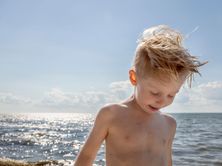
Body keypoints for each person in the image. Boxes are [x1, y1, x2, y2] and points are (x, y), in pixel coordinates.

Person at [74, 25, 207, 166]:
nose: (162, 101)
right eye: (155, 92)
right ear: (134, 78)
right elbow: (87, 156)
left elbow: (167, 161)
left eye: (171, 95)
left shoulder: (169, 124)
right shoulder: (111, 114)